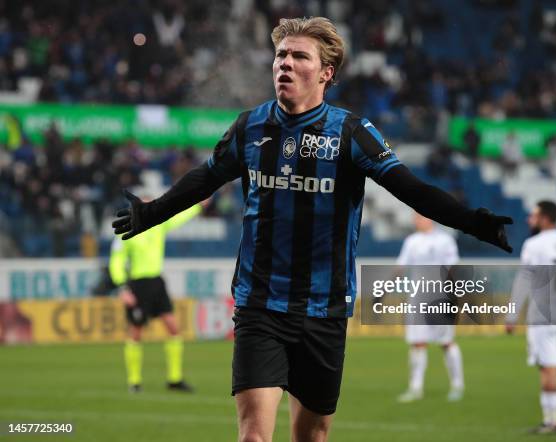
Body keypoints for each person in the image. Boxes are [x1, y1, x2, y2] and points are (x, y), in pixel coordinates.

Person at [113, 17, 513, 442]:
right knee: (252, 436)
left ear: (326, 73)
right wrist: (152, 213)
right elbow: (205, 178)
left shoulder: (352, 133)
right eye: (281, 55)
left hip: (324, 310)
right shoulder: (250, 127)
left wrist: (472, 222)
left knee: (312, 436)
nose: (285, 62)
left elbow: (410, 188)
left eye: (299, 56)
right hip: (260, 305)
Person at [109, 197, 204, 393]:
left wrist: (197, 206)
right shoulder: (126, 231)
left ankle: (174, 379)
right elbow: (116, 261)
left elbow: (179, 216)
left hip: (157, 283)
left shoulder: (158, 225)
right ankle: (134, 382)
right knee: (136, 332)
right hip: (137, 285)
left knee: (173, 328)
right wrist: (122, 288)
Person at [506, 201, 556, 434]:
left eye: (534, 215)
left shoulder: (534, 244)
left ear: (545, 218)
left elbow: (524, 280)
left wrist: (511, 315)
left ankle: (551, 421)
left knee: (547, 367)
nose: (530, 219)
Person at [396, 213, 464, 403]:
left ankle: (457, 385)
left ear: (429, 218)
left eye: (419, 217)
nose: (416, 221)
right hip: (418, 297)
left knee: (446, 342)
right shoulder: (411, 241)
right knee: (417, 342)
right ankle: (415, 388)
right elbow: (401, 266)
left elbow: (453, 268)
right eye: (414, 218)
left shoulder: (445, 240)